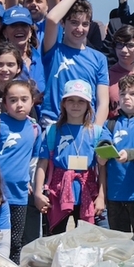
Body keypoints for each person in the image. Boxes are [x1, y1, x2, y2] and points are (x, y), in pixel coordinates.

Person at [0, 78, 42, 260]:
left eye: (24, 99)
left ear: (32, 101)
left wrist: (32, 181)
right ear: (4, 103)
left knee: (15, 242)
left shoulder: (35, 128)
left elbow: (35, 160)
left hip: (19, 195)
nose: (18, 104)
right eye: (13, 100)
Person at [40, 0, 109, 126]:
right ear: (63, 23)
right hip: (53, 124)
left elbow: (103, 103)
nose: (79, 29)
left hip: (85, 126)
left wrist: (95, 131)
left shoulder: (99, 59)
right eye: (74, 23)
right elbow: (51, 18)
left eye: (85, 24)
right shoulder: (53, 51)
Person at [33, 80, 102, 236]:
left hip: (87, 190)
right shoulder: (53, 131)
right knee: (54, 236)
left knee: (85, 238)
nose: (75, 105)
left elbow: (102, 167)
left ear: (88, 105)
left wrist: (102, 196)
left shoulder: (96, 132)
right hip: (57, 191)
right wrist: (38, 192)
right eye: (70, 100)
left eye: (81, 101)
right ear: (63, 103)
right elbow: (42, 163)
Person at [101, 73, 134, 239]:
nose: (126, 98)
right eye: (123, 94)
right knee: (119, 245)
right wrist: (103, 153)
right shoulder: (110, 123)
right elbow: (103, 142)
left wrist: (129, 154)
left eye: (132, 94)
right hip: (115, 195)